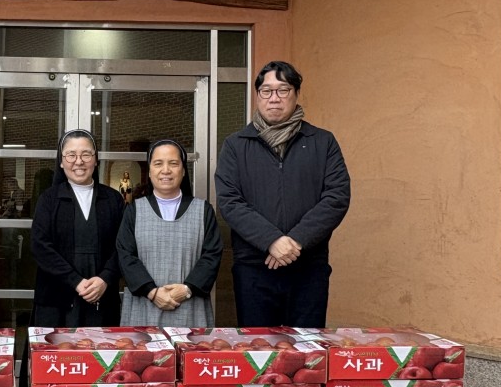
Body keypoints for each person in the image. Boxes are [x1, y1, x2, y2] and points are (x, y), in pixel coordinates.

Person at [215, 60, 350, 327]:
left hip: (308, 268)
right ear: (257, 95)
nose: (274, 98)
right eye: (266, 91)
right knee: (257, 347)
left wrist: (296, 241)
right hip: (254, 268)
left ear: (296, 93)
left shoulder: (322, 142)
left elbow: (336, 197)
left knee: (307, 347)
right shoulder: (235, 145)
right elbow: (229, 201)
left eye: (283, 90)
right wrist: (272, 240)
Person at [117, 139, 223, 326]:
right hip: (144, 307)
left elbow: (212, 255)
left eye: (173, 163)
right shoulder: (134, 210)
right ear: (150, 170)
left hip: (190, 307)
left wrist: (186, 289)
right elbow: (125, 254)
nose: (165, 170)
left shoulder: (203, 210)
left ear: (183, 170)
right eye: (158, 163)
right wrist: (152, 292)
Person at [31, 130, 125, 326]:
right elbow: (41, 247)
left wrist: (105, 279)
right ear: (61, 161)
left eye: (86, 154)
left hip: (102, 296)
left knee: (101, 345)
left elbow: (124, 246)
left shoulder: (113, 199)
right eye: (71, 155)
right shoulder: (48, 199)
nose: (79, 161)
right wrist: (76, 281)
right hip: (56, 299)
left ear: (96, 160)